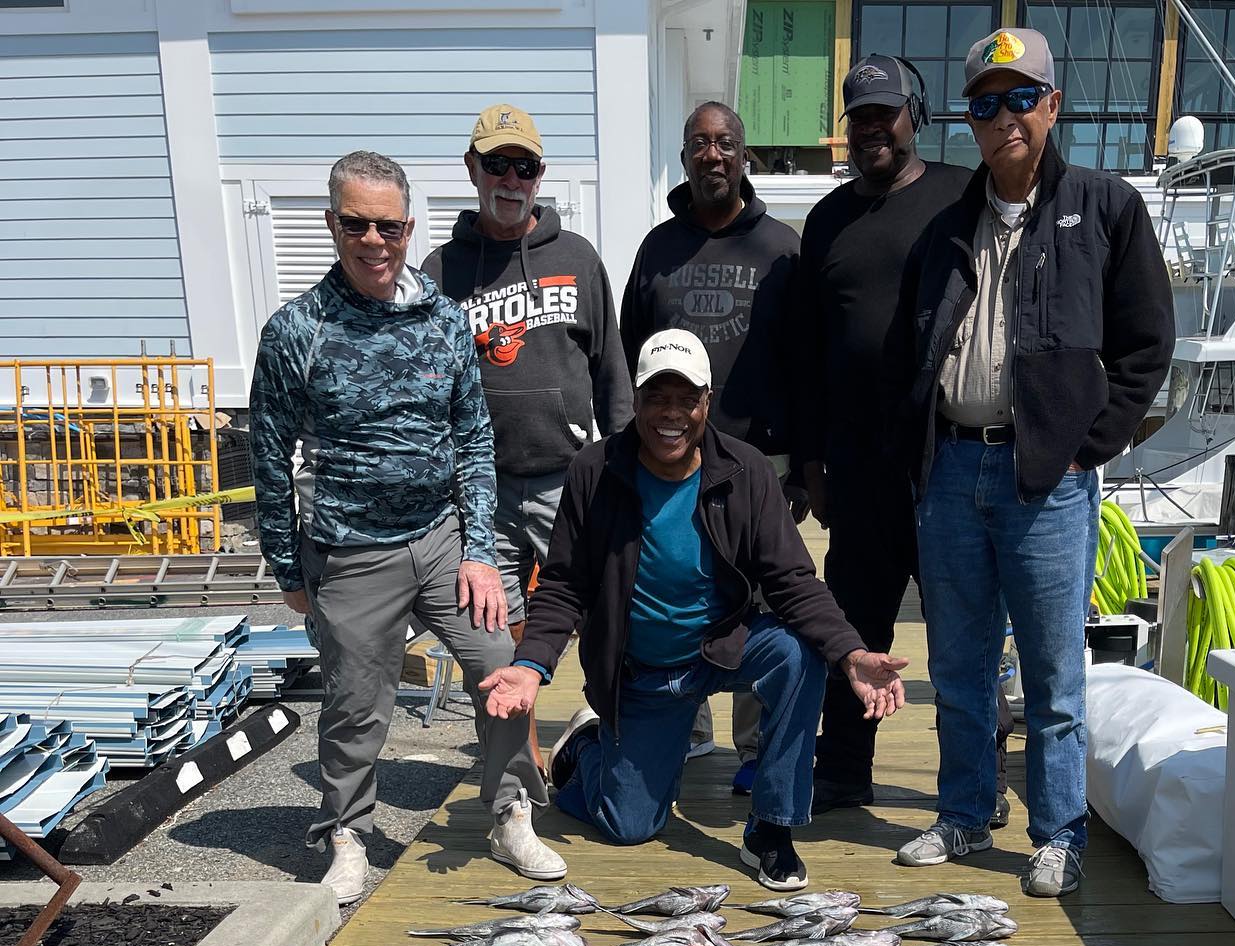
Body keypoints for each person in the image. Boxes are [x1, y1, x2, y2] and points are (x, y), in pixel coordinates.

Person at [477, 330, 908, 892]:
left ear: (708, 402)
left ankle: (772, 829)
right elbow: (563, 584)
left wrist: (850, 654)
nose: (671, 414)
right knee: (629, 825)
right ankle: (584, 750)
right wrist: (532, 665)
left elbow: (793, 581)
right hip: (644, 671)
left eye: (687, 399)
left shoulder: (746, 470)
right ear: (636, 399)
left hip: (721, 646)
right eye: (657, 397)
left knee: (797, 654)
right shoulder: (594, 469)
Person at [897, 28, 1174, 895]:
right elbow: (909, 347)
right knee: (958, 666)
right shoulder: (945, 227)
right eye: (986, 104)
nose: (1004, 117)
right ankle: (965, 812)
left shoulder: (1105, 207)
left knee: (1055, 674)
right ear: (969, 120)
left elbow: (1148, 344)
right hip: (952, 471)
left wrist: (1088, 444)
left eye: (1021, 98)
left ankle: (1058, 831)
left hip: (1047, 479)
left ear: (1052, 106)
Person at [249, 150, 557, 902]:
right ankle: (347, 834)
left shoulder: (445, 320)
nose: (373, 241)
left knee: (499, 664)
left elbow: (474, 439)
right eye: (356, 224)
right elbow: (268, 455)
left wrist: (479, 551)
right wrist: (289, 570)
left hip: (443, 539)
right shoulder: (297, 331)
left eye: (388, 226)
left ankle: (509, 812)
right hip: (351, 551)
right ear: (332, 225)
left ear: (409, 228)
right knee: (356, 705)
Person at [791, 54, 1012, 818]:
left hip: (947, 460)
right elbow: (808, 354)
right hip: (857, 469)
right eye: (859, 117)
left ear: (914, 114)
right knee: (854, 628)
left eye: (884, 114)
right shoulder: (826, 220)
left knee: (963, 635)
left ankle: (979, 783)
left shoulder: (963, 193)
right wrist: (810, 460)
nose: (872, 129)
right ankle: (843, 771)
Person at [422, 103, 632, 769]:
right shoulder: (439, 271)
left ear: (540, 176)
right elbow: (426, 390)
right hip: (479, 491)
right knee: (499, 631)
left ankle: (615, 739)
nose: (511, 179)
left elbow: (612, 371)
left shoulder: (577, 257)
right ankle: (525, 771)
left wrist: (628, 466)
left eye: (525, 167)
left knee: (604, 612)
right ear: (472, 169)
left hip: (568, 477)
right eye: (497, 164)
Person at [620, 100, 801, 796]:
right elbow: (630, 353)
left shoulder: (781, 246)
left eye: (725, 142)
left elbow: (807, 359)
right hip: (669, 458)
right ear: (685, 157)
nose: (713, 154)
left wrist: (803, 461)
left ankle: (755, 743)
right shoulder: (658, 248)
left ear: (744, 153)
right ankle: (685, 729)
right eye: (699, 143)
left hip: (761, 460)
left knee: (760, 601)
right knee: (677, 585)